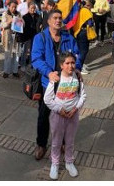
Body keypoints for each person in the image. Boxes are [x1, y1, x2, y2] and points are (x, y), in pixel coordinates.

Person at [30, 9, 81, 161]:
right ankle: (41, 144)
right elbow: (36, 59)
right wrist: (48, 73)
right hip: (49, 84)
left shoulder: (69, 38)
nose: (58, 21)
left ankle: (64, 143)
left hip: (67, 84)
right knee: (44, 116)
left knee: (65, 115)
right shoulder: (41, 38)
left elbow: (77, 55)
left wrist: (76, 68)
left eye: (60, 18)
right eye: (55, 18)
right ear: (49, 21)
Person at [44, 52, 86, 180]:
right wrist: (58, 109)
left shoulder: (77, 78)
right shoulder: (56, 80)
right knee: (56, 142)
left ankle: (69, 162)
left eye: (73, 63)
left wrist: (76, 108)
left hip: (73, 116)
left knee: (70, 141)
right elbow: (47, 99)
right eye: (67, 63)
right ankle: (55, 164)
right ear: (61, 65)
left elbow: (83, 95)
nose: (70, 66)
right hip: (58, 116)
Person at [1, 0, 21, 78]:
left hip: (16, 36)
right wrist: (9, 22)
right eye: (12, 7)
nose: (14, 9)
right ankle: (6, 71)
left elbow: (22, 24)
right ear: (8, 6)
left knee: (16, 54)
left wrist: (19, 22)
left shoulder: (18, 14)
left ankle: (15, 71)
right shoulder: (5, 14)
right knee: (7, 54)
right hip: (8, 36)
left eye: (15, 7)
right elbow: (3, 25)